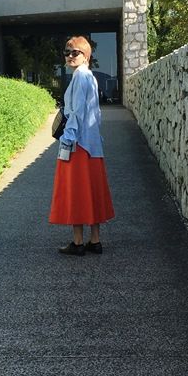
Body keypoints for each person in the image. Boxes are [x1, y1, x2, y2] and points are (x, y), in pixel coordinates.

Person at [49, 35, 115, 255]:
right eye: (67, 52)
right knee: (92, 191)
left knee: (75, 191)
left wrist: (67, 140)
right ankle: (95, 240)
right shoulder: (91, 77)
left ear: (85, 55)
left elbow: (76, 113)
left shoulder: (79, 77)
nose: (70, 56)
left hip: (78, 145)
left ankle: (78, 242)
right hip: (92, 145)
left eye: (75, 52)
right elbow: (96, 113)